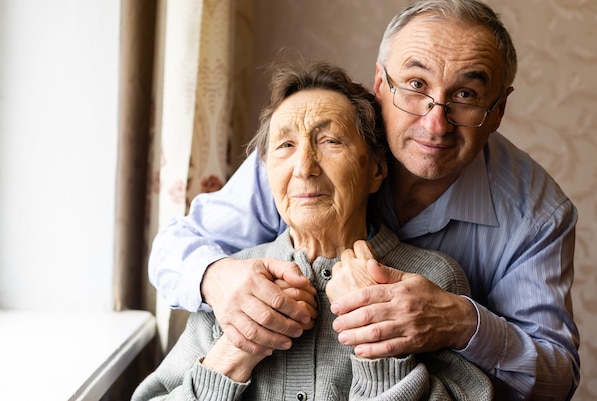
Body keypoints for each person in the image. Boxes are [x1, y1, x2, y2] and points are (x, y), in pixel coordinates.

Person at [148, 0, 580, 400]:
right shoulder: (292, 166)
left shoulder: (530, 217)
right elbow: (173, 250)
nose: (436, 123)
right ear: (381, 84)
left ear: (498, 109)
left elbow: (555, 379)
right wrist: (219, 284)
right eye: (415, 84)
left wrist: (456, 322)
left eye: (465, 95)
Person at [134, 61, 493, 400]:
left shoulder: (434, 279)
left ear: (377, 169)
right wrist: (232, 353)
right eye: (286, 146)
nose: (304, 167)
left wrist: (378, 347)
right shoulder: (234, 285)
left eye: (330, 141)